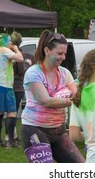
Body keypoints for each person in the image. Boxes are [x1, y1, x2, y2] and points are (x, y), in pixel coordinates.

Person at [21, 30, 84, 163]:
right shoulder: (33, 73)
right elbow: (45, 101)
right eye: (59, 53)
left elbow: (77, 95)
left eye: (65, 54)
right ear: (47, 50)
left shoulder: (64, 73)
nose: (63, 57)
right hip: (35, 129)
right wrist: (70, 101)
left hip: (58, 130)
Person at [0, 33, 23, 149]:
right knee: (11, 113)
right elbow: (20, 58)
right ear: (4, 42)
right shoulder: (4, 50)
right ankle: (10, 141)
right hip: (5, 86)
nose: (10, 44)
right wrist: (16, 49)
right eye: (9, 42)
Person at [5, 31, 34, 143]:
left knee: (9, 112)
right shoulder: (18, 55)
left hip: (8, 85)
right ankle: (10, 136)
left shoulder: (6, 54)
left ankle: (11, 135)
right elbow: (22, 71)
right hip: (17, 86)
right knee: (13, 113)